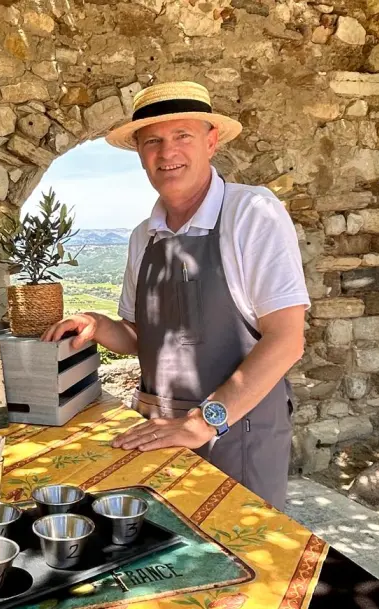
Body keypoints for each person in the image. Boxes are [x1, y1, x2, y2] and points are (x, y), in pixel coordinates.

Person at [40, 81, 310, 509]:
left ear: (211, 141)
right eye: (153, 141)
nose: (167, 152)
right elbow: (141, 337)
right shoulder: (143, 237)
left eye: (182, 135)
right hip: (157, 432)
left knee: (236, 543)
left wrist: (204, 421)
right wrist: (99, 325)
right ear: (140, 153)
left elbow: (287, 339)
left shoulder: (251, 213)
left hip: (238, 434)